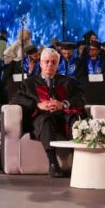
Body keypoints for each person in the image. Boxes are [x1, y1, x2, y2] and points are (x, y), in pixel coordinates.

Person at [11, 48, 85, 177]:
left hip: (64, 116)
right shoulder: (29, 83)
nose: (50, 65)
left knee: (75, 119)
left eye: (53, 62)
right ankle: (53, 163)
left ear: (58, 64)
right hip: (42, 117)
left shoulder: (69, 82)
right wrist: (37, 105)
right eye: (46, 62)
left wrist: (63, 104)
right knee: (46, 120)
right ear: (40, 63)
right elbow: (15, 99)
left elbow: (81, 99)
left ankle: (79, 161)